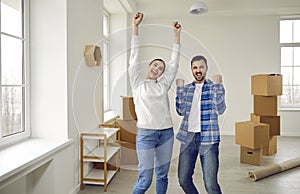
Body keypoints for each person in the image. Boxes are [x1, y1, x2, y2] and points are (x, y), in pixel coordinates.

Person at [128, 12, 181, 194]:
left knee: (162, 175)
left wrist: (176, 36)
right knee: (145, 180)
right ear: (149, 66)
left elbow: (174, 64)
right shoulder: (137, 83)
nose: (157, 69)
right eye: (155, 65)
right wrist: (135, 27)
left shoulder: (163, 85)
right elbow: (134, 56)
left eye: (160, 68)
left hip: (166, 133)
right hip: (146, 135)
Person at [175, 55, 226, 194]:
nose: (198, 70)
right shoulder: (186, 89)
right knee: (183, 179)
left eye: (201, 67)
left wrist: (218, 85)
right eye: (195, 67)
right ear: (191, 69)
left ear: (206, 68)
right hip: (188, 137)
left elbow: (220, 109)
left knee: (210, 184)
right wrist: (179, 90)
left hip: (209, 139)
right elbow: (180, 111)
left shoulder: (214, 86)